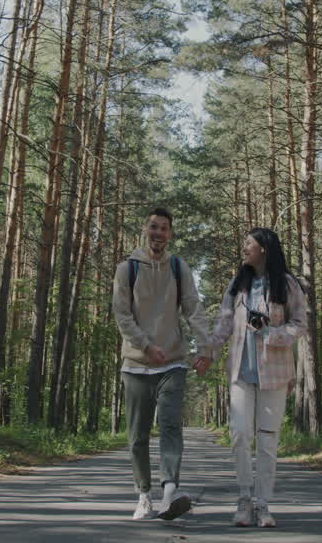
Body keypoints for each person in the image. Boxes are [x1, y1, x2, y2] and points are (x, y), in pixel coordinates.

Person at [192, 227, 308, 528]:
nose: (244, 248)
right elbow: (223, 323)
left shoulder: (288, 283)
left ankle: (263, 504)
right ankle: (244, 498)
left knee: (267, 441)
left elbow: (299, 324)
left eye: (249, 244)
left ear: (264, 249)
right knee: (240, 434)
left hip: (275, 373)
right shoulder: (238, 283)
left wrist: (271, 333)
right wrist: (208, 353)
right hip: (241, 372)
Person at [112, 207, 210, 521]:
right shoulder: (127, 269)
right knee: (137, 435)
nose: (158, 233)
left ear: (170, 234)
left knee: (170, 426)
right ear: (145, 230)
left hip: (172, 362)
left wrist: (205, 348)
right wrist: (145, 345)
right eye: (154, 227)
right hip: (136, 364)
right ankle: (144, 495)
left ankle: (169, 493)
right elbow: (122, 314)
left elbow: (193, 308)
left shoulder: (179, 268)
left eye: (164, 228)